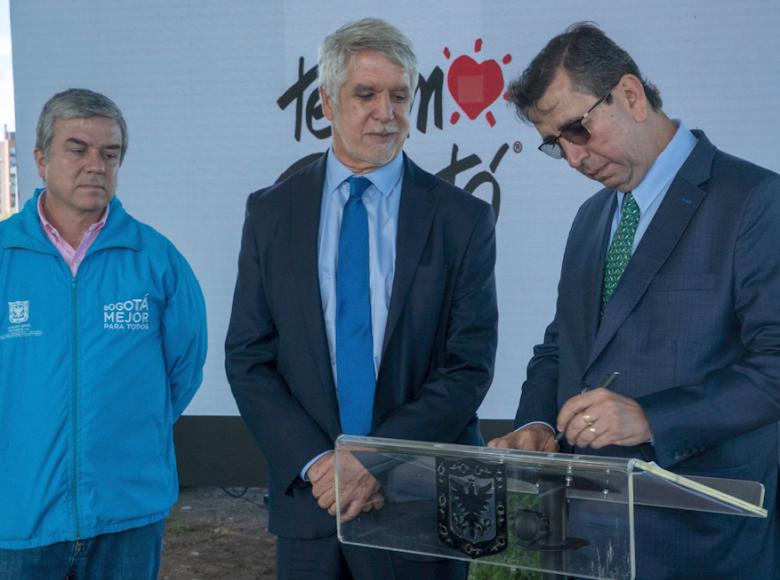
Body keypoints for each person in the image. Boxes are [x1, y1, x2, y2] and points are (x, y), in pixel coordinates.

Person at [488, 22, 780, 577]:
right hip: (584, 543)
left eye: (578, 129)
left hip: (706, 545)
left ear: (629, 94)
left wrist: (653, 419)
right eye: (556, 144)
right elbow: (562, 350)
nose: (573, 159)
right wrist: (538, 427)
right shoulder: (590, 219)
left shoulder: (755, 201)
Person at [225, 17, 497, 580]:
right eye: (366, 94)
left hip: (418, 505)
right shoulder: (271, 213)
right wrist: (322, 465)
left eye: (400, 95)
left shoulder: (462, 218)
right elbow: (249, 357)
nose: (387, 111)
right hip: (311, 503)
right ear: (325, 101)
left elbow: (468, 365)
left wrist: (373, 460)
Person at [0, 88, 207, 579]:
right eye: (78, 149)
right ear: (40, 159)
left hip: (127, 516)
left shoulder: (157, 260)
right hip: (18, 517)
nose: (96, 165)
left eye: (109, 154)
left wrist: (122, 433)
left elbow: (183, 372)